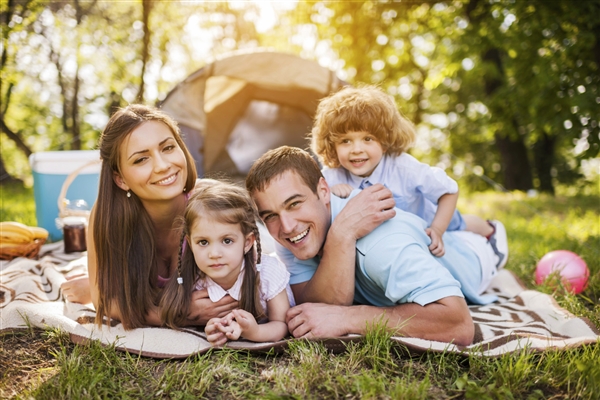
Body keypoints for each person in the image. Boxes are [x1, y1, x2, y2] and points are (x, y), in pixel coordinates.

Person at [246, 146, 508, 346]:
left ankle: (492, 232)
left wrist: (349, 318)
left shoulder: (382, 245)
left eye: (294, 203)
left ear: (323, 191)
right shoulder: (292, 234)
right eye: (270, 215)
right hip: (414, 239)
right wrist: (340, 237)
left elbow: (459, 324)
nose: (287, 226)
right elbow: (313, 306)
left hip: (473, 255)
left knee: (475, 232)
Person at [61, 105, 238, 330]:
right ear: (120, 179)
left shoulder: (213, 205)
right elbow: (104, 301)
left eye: (168, 148)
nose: (163, 166)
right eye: (141, 160)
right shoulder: (108, 215)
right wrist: (178, 313)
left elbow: (254, 287)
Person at [310, 85, 507, 264]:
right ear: (332, 145)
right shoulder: (331, 178)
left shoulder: (404, 167)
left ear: (385, 141)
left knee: (459, 223)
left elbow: (448, 190)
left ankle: (490, 230)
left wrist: (437, 230)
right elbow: (315, 203)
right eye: (345, 141)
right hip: (394, 235)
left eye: (368, 139)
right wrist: (332, 193)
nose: (356, 149)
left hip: (428, 215)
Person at [159, 181, 293, 345]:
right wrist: (214, 329)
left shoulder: (268, 272)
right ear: (190, 243)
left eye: (227, 241)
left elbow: (281, 325)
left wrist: (254, 332)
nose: (214, 254)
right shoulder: (193, 278)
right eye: (203, 242)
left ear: (247, 242)